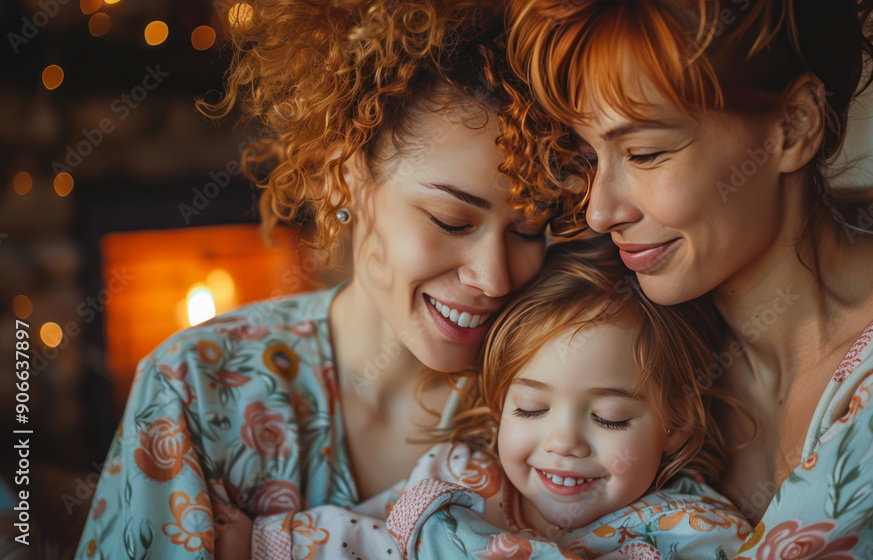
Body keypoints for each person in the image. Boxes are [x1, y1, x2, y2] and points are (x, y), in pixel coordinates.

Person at [507, 0, 873, 557]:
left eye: (645, 153)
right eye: (589, 157)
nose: (599, 211)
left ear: (794, 126)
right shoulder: (649, 340)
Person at [74, 1, 555, 558]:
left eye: (528, 230)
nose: (494, 278)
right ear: (341, 180)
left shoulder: (558, 397)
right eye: (451, 221)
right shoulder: (193, 388)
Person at [383, 235, 754, 558]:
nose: (563, 443)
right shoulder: (455, 477)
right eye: (530, 410)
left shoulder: (695, 531)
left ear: (677, 421)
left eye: (609, 417)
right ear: (499, 405)